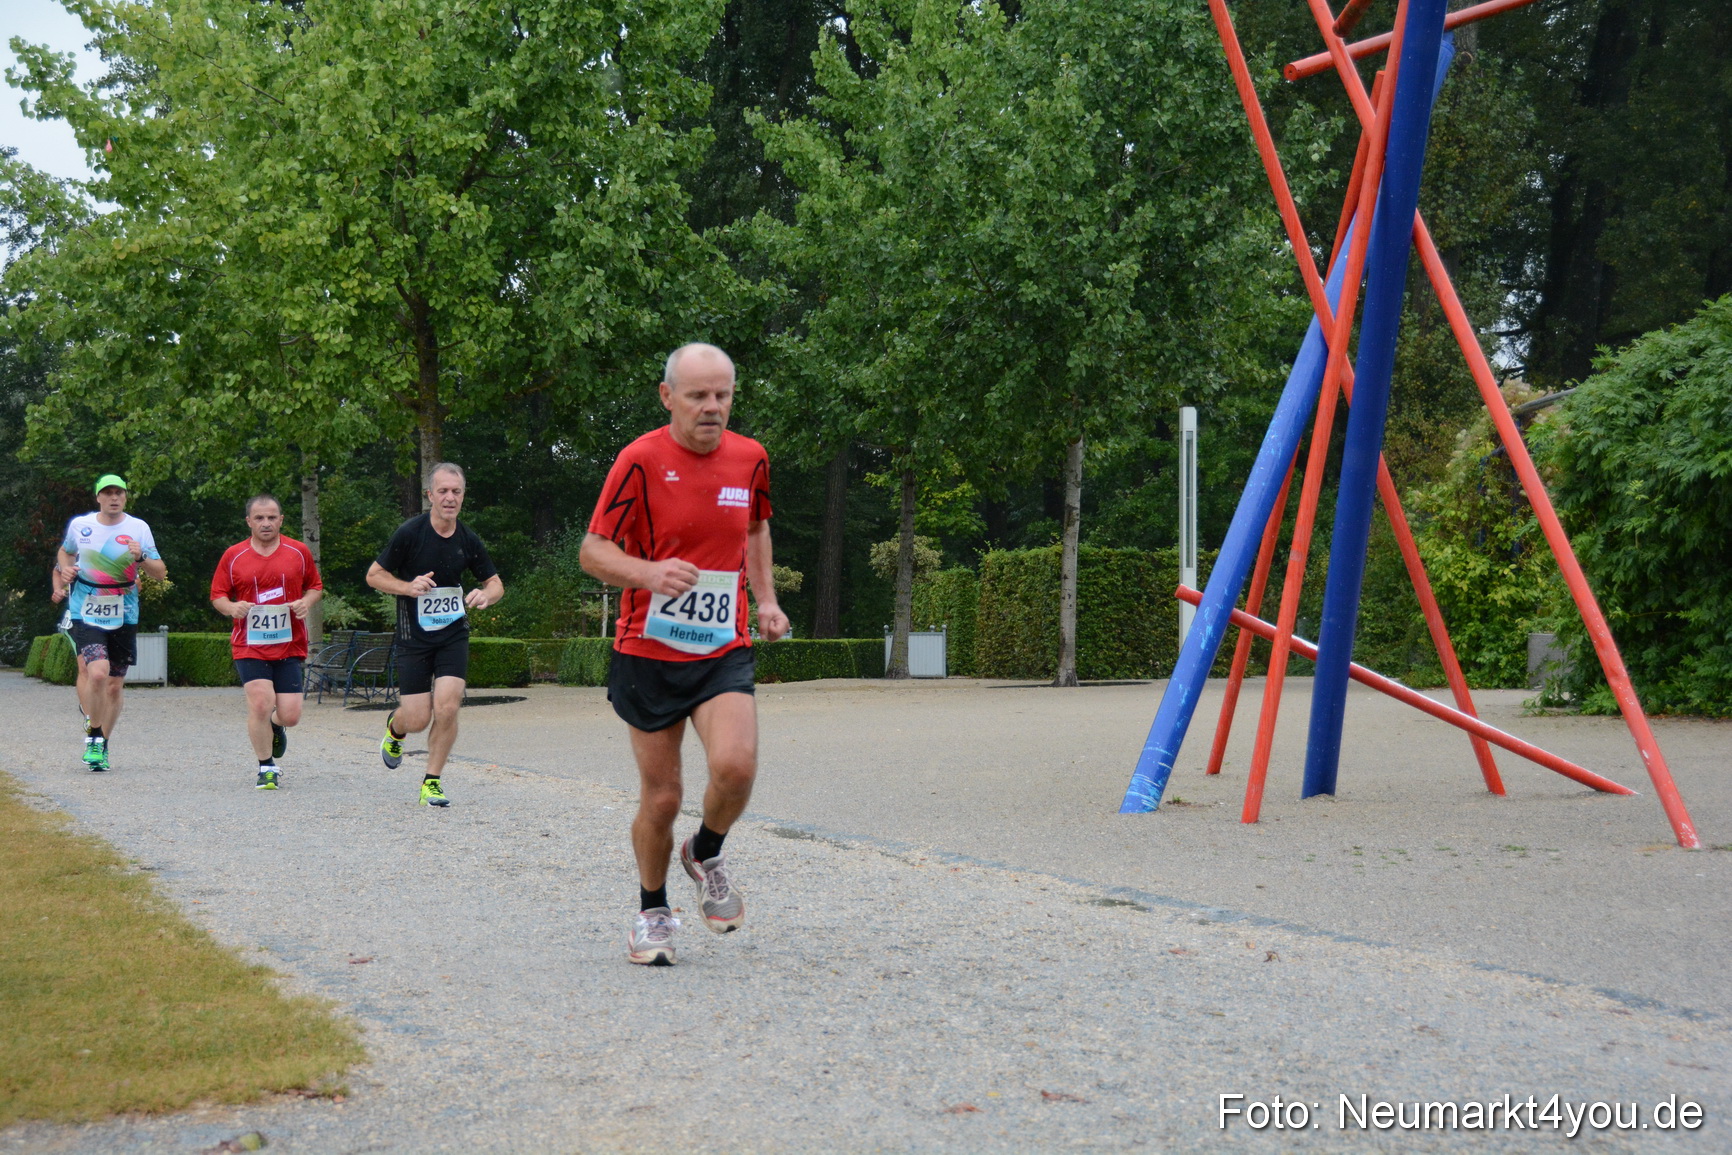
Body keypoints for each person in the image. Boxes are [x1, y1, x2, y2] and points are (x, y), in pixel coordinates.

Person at [580, 342, 789, 966]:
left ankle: (705, 849)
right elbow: (593, 551)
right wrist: (647, 573)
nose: (713, 407)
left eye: (723, 394)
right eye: (698, 395)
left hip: (722, 644)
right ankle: (652, 911)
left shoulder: (751, 459)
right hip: (648, 648)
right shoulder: (639, 461)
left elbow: (755, 526)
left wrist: (767, 600)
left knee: (737, 766)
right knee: (663, 797)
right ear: (667, 396)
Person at [365, 463, 503, 807]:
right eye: (442, 491)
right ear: (430, 496)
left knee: (448, 707)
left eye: (456, 492)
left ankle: (432, 781)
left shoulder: (468, 539)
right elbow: (374, 575)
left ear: (463, 496)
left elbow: (495, 582)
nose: (449, 498)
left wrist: (487, 595)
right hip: (414, 637)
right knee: (417, 717)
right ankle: (395, 731)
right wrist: (406, 587)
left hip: (453, 634)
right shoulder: (410, 533)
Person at [51, 474, 168, 772]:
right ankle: (93, 734)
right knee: (97, 673)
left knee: (114, 686)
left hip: (124, 611)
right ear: (98, 497)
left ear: (126, 497)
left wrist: (140, 557)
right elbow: (65, 551)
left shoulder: (138, 528)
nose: (114, 498)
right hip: (85, 609)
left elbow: (160, 572)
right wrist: (65, 571)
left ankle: (101, 742)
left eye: (119, 493)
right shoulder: (81, 525)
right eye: (108, 493)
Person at [209, 494, 324, 790]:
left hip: (289, 644)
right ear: (248, 521)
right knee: (260, 703)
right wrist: (232, 608)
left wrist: (305, 602)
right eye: (259, 518)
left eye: (272, 517)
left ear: (281, 520)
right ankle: (266, 767)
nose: (266, 523)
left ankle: (275, 726)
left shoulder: (298, 552)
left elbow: (315, 586)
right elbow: (218, 596)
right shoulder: (233, 555)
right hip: (249, 644)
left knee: (291, 715)